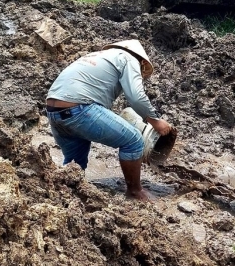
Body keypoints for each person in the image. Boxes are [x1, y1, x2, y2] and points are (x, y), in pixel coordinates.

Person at [45, 40, 173, 202]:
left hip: (54, 112)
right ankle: (135, 192)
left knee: (74, 169)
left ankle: (62, 198)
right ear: (141, 61)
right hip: (80, 108)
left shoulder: (98, 56)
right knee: (134, 141)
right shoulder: (128, 58)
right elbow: (136, 96)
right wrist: (155, 121)